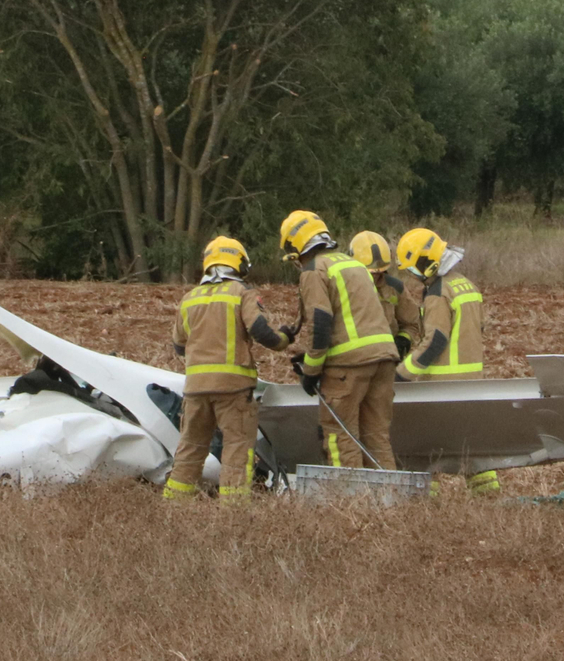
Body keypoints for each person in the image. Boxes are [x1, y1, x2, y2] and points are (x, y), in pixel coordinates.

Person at [162, 237, 295, 502]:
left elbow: (179, 347)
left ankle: (174, 509)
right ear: (238, 263)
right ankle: (233, 515)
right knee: (236, 449)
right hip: (234, 390)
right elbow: (261, 332)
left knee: (190, 449)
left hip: (196, 390)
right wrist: (284, 339)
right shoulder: (240, 293)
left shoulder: (189, 299)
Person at [280, 210, 399, 470]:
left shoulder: (313, 270)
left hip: (348, 367)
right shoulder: (354, 264)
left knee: (339, 434)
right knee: (376, 436)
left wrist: (311, 370)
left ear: (298, 248)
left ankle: (348, 501)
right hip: (384, 360)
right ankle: (390, 502)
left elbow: (321, 323)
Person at [394, 226, 500, 494]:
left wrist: (401, 374)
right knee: (471, 444)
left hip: (443, 384)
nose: (412, 276)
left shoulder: (438, 292)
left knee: (426, 446)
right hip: (472, 383)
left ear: (425, 263)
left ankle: (424, 499)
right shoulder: (467, 285)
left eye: (412, 269)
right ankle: (487, 495)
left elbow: (435, 342)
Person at [349, 230, 420, 356]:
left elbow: (411, 324)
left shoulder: (395, 287)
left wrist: (403, 340)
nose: (375, 276)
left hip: (388, 359)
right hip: (354, 360)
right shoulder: (343, 288)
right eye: (370, 272)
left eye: (379, 272)